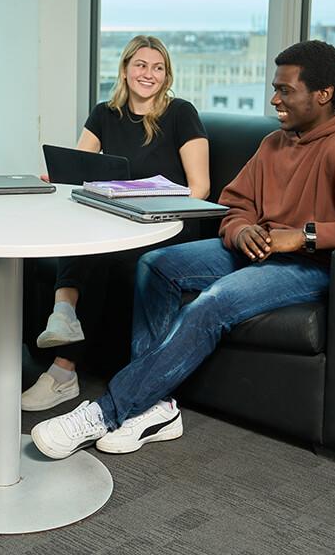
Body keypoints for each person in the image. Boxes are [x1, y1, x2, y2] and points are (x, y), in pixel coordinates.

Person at [31, 40, 335, 459]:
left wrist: (305, 236)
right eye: (275, 88)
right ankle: (155, 407)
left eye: (285, 90)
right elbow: (232, 205)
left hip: (309, 264)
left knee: (214, 302)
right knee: (156, 265)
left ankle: (107, 411)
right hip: (259, 247)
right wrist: (242, 228)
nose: (275, 99)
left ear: (322, 94)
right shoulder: (274, 143)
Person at [22, 35, 210, 412]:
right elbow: (78, 168)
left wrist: (156, 203)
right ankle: (63, 314)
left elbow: (200, 187)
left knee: (103, 253)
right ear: (124, 70)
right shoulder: (104, 113)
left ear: (167, 76)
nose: (148, 74)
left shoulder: (181, 113)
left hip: (169, 223)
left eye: (158, 68)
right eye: (141, 65)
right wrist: (57, 178)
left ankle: (62, 370)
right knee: (80, 236)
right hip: (122, 218)